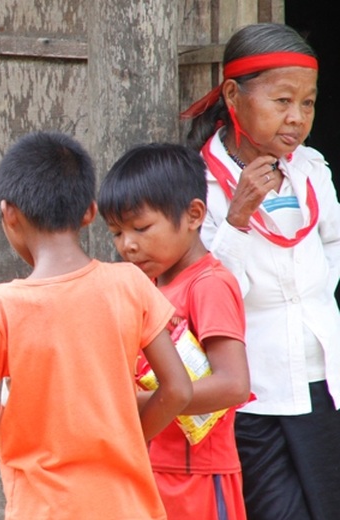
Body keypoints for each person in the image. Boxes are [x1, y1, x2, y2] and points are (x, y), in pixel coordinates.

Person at [0, 131, 192, 520]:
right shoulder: (129, 284)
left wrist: (37, 424)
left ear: (8, 213)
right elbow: (178, 389)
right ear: (89, 212)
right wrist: (123, 435)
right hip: (127, 505)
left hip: (41, 508)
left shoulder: (1, 307)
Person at [183, 22, 340, 520]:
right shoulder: (199, 185)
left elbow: (332, 241)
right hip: (257, 396)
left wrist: (312, 296)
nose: (296, 119)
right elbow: (206, 291)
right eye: (282, 101)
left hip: (325, 384)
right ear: (233, 94)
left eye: (308, 104)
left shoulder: (311, 167)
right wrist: (237, 218)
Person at [98, 143, 252, 519]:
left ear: (194, 215)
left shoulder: (208, 285)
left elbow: (233, 385)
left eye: (141, 228)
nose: (128, 245)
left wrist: (136, 402)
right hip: (149, 466)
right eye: (116, 233)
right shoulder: (146, 287)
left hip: (198, 475)